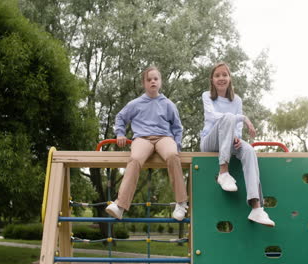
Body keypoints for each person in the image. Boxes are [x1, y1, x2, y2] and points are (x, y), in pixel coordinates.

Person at [105, 66, 188, 221]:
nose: (152, 82)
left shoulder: (168, 104)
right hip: (142, 138)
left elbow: (177, 127)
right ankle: (120, 206)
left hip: (164, 137)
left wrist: (177, 144)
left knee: (172, 155)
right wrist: (120, 133)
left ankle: (181, 203)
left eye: (155, 79)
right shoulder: (135, 103)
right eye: (149, 79)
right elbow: (120, 118)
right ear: (144, 83)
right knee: (135, 159)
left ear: (160, 82)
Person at [200, 62, 275, 227]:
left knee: (248, 150)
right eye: (217, 75)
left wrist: (237, 136)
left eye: (224, 75)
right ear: (212, 80)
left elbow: (238, 129)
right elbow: (212, 117)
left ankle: (256, 207)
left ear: (229, 78)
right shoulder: (207, 96)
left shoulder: (237, 100)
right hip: (210, 141)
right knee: (227, 117)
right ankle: (223, 172)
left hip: (229, 140)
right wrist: (242, 118)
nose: (221, 78)